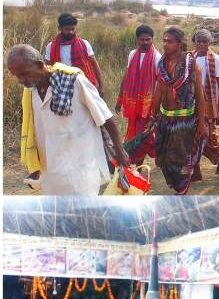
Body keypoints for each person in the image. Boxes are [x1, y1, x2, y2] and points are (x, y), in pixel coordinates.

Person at [7, 44, 128, 195]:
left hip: (81, 171)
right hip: (51, 173)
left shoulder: (74, 82)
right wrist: (35, 168)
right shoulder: (30, 92)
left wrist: (119, 149)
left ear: (39, 65)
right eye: (17, 76)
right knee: (56, 209)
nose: (21, 80)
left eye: (24, 74)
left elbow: (105, 116)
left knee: (83, 209)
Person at [148, 26, 208, 195]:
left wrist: (201, 123)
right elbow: (159, 91)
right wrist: (153, 115)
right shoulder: (161, 64)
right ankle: (179, 186)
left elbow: (200, 96)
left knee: (179, 159)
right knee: (163, 159)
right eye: (164, 41)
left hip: (184, 121)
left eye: (170, 41)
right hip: (164, 119)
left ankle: (182, 190)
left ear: (180, 43)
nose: (165, 44)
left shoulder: (192, 66)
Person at [115, 24, 162, 165]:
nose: (145, 42)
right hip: (133, 104)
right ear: (137, 40)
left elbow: (160, 84)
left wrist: (157, 107)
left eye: (148, 39)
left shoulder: (157, 57)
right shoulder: (132, 54)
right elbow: (127, 76)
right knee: (138, 135)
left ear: (152, 39)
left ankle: (140, 163)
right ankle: (141, 163)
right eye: (142, 40)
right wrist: (120, 98)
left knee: (144, 135)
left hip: (149, 105)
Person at [192, 28, 219, 178]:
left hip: (209, 104)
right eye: (199, 41)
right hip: (193, 103)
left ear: (209, 43)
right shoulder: (190, 57)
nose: (201, 44)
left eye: (205, 42)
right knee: (193, 136)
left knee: (208, 135)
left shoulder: (215, 59)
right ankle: (196, 170)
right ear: (195, 42)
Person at [45, 13, 104, 95]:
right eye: (67, 29)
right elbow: (47, 69)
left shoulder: (84, 44)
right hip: (60, 88)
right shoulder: (51, 47)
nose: (71, 32)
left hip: (82, 86)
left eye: (73, 29)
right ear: (60, 28)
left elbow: (94, 64)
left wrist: (101, 86)